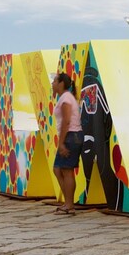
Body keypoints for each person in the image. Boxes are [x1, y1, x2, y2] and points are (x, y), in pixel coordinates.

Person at [52, 72, 83, 215]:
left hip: (71, 136)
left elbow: (66, 121)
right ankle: (68, 202)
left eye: (54, 81)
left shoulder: (66, 99)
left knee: (66, 170)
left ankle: (69, 205)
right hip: (71, 136)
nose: (52, 84)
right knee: (58, 169)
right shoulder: (64, 98)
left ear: (61, 83)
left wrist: (61, 143)